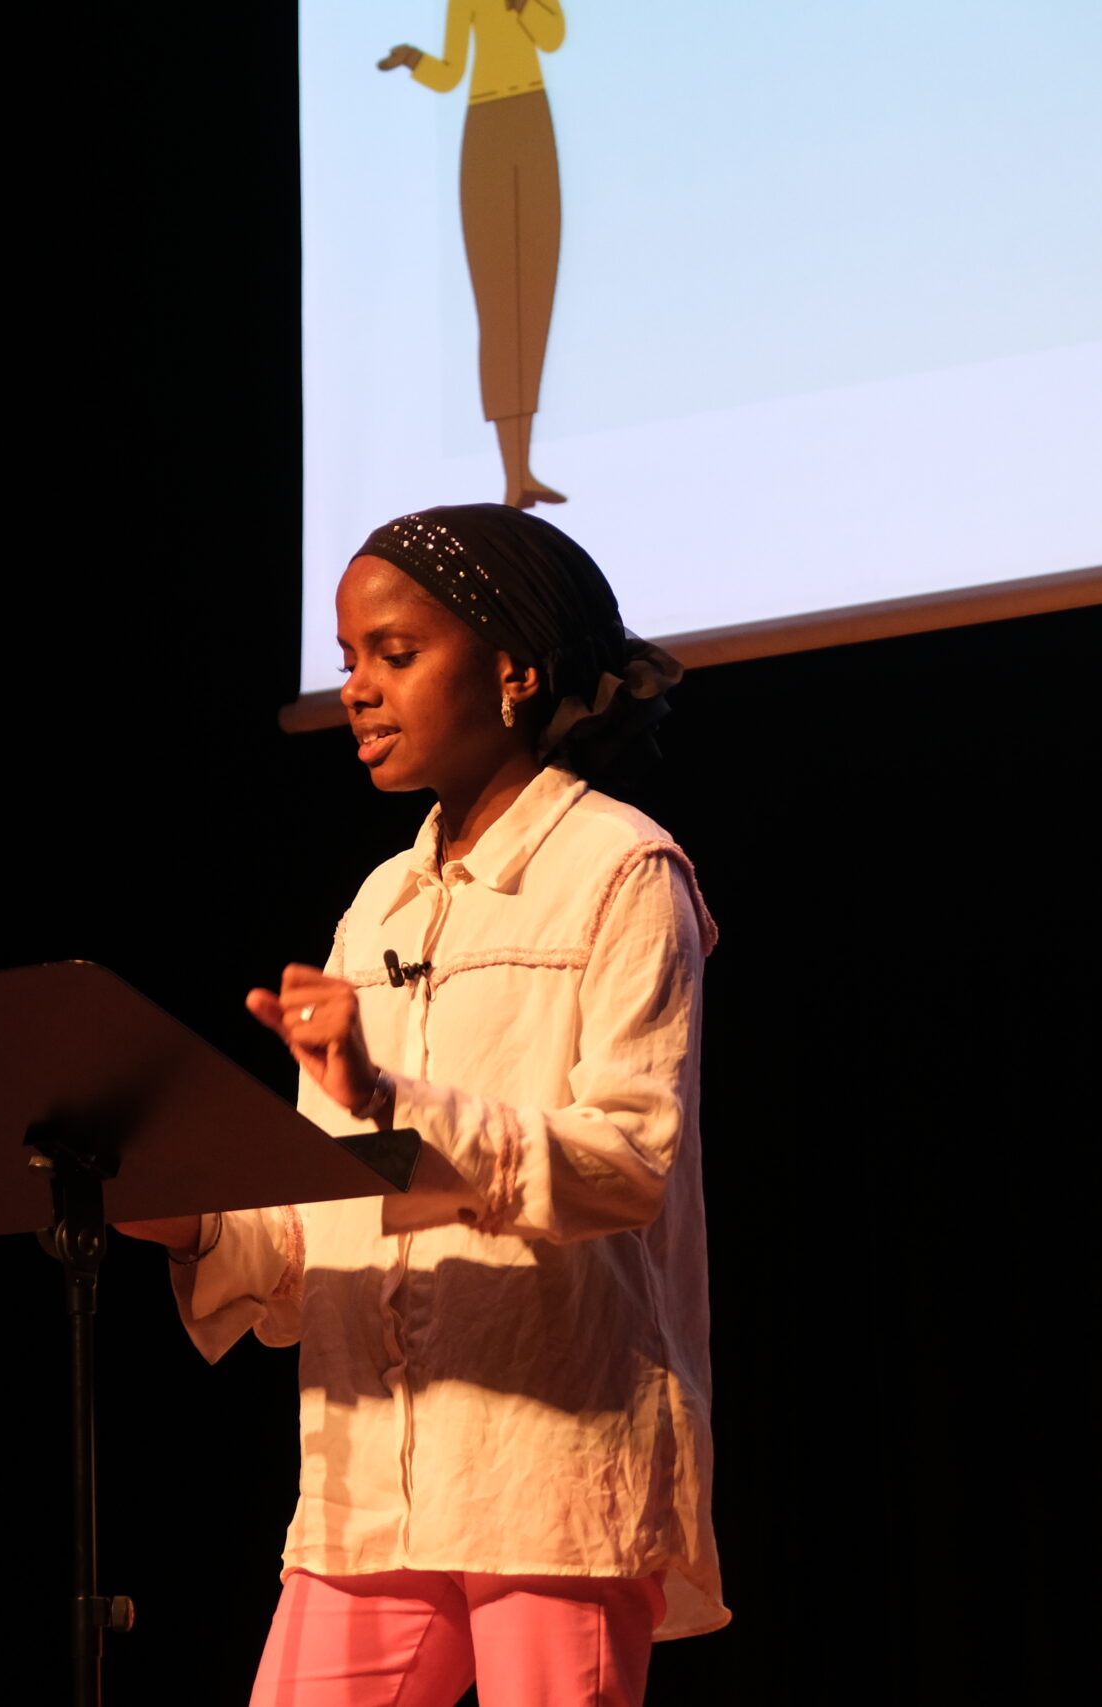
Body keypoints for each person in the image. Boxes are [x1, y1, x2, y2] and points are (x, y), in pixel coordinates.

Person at [117, 504, 726, 1706]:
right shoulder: (379, 905)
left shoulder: (620, 871)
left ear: (513, 670)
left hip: (550, 1467)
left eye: (394, 654)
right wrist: (180, 1211)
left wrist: (389, 1097)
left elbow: (625, 1165)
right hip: (370, 1492)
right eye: (348, 659)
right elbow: (321, 1225)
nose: (357, 688)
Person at [379, 3, 569, 509]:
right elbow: (449, 75)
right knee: (497, 300)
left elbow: (552, 38)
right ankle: (513, 476)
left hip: (532, 118)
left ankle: (524, 469)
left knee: (536, 291)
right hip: (485, 128)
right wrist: (413, 59)